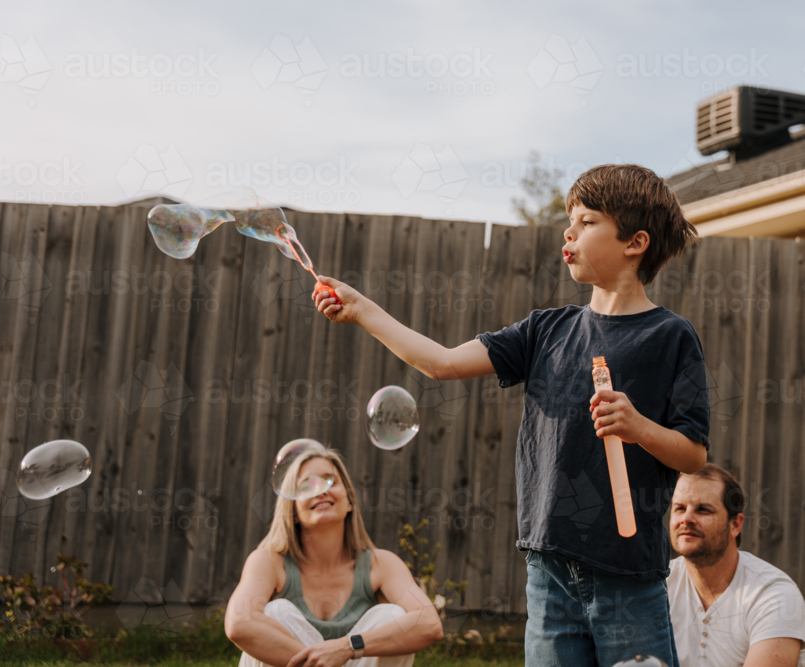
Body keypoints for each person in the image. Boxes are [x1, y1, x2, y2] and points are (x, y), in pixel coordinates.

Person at [313, 164, 711, 667]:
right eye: (570, 219)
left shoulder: (671, 337)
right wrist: (362, 308)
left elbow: (694, 454)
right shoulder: (545, 331)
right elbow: (442, 362)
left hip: (628, 577)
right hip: (549, 571)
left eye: (587, 222)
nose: (569, 231)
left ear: (635, 242)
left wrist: (640, 428)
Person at [225, 441, 443, 667]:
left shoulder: (381, 564)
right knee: (276, 612)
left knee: (393, 616)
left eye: (330, 481)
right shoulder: (269, 560)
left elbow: (428, 623)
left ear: (349, 501)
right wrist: (321, 662)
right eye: (307, 486)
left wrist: (347, 647)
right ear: (294, 510)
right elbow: (238, 624)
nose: (321, 490)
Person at [667, 464, 805, 667]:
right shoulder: (659, 586)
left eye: (703, 510)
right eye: (679, 508)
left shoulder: (774, 594)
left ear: (735, 525)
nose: (686, 519)